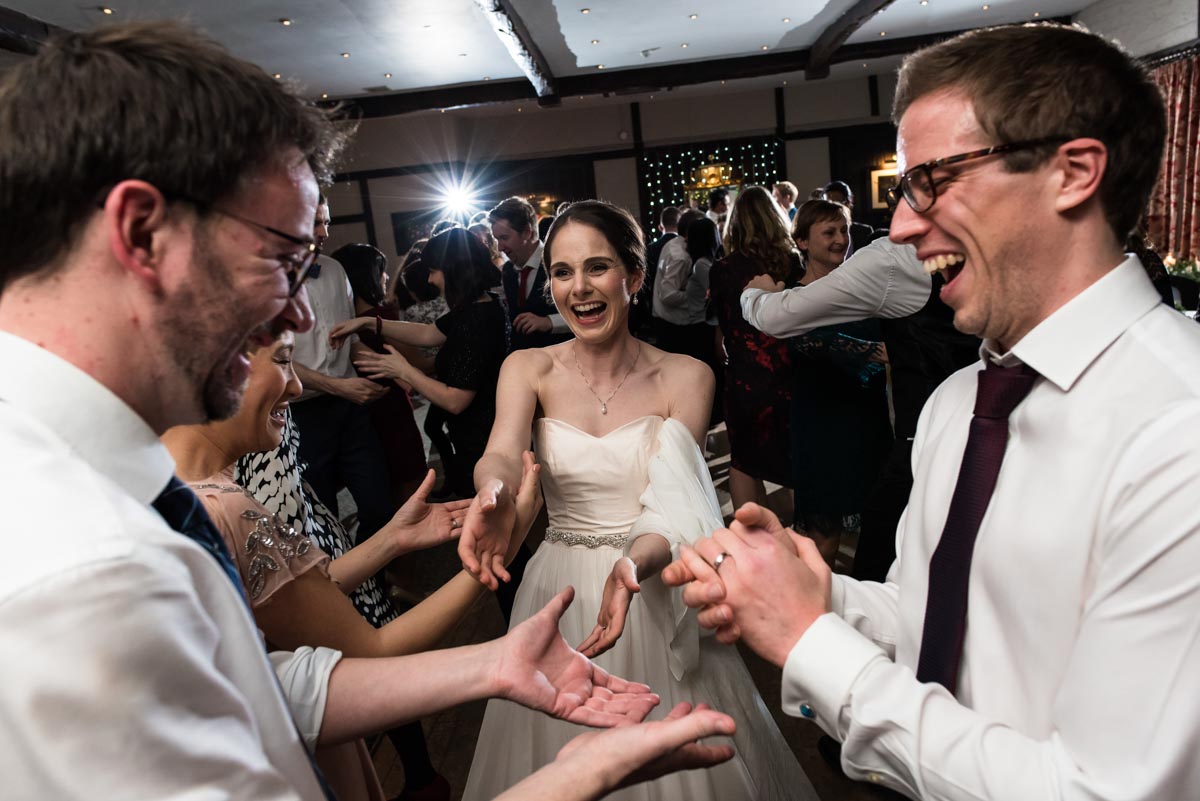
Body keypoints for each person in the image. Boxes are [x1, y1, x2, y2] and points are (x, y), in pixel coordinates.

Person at [0, 22, 706, 798]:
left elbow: (260, 686)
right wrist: (570, 781)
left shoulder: (109, 476)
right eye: (285, 260)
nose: (303, 317)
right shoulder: (83, 565)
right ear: (142, 232)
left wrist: (493, 663)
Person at [666, 22, 1200, 801]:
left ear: (1073, 172)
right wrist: (815, 591)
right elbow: (934, 613)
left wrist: (811, 639)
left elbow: (1096, 789)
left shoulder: (1178, 428)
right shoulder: (959, 403)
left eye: (934, 181)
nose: (903, 225)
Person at [458, 200, 815, 801]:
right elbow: (500, 453)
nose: (579, 288)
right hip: (557, 590)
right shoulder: (528, 367)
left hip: (649, 577)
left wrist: (632, 565)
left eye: (597, 267)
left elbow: (671, 506)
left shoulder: (687, 375)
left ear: (635, 276)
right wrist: (492, 492)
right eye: (563, 272)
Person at [163, 330, 540, 801]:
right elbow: (372, 649)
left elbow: (284, 596)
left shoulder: (168, 485)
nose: (297, 385)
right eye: (282, 361)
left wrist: (391, 540)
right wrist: (497, 554)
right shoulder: (225, 508)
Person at [787, 200, 892, 564]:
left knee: (880, 524)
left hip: (868, 421)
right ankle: (816, 598)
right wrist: (877, 351)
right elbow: (805, 342)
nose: (841, 239)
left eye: (844, 230)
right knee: (824, 537)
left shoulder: (864, 289)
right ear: (802, 241)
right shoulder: (792, 297)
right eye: (829, 232)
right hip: (822, 424)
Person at [289, 197, 395, 545]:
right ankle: (344, 576)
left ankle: (372, 574)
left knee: (380, 506)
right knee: (323, 517)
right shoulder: (267, 278)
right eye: (315, 223)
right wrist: (339, 387)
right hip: (302, 414)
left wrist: (381, 364)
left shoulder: (335, 270)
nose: (324, 232)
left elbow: (348, 341)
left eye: (327, 223)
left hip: (351, 411)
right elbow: (274, 360)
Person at [708, 186, 799, 515]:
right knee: (795, 457)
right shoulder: (792, 262)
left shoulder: (722, 269)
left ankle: (751, 534)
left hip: (744, 375)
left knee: (744, 461)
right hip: (790, 370)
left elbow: (723, 324)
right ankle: (805, 533)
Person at [334, 242, 429, 504]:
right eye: (381, 270)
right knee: (411, 481)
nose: (386, 276)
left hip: (360, 410)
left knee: (382, 482)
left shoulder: (342, 322)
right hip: (391, 406)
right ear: (368, 276)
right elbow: (417, 364)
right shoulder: (380, 318)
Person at [490, 196, 570, 350]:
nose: (499, 247)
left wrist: (549, 321)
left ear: (527, 232)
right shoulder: (508, 270)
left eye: (504, 238)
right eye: (497, 239)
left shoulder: (558, 262)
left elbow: (585, 313)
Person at [823, 180, 876, 255]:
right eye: (828, 206)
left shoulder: (864, 232)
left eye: (838, 205)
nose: (833, 210)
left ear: (849, 203)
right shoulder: (822, 233)